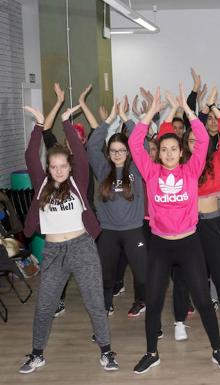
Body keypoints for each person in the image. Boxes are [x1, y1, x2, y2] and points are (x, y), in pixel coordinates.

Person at [129, 86, 220, 374]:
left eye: (174, 148)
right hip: (161, 245)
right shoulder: (150, 172)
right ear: (159, 153)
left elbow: (201, 140)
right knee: (153, 299)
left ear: (180, 152)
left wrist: (188, 112)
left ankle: (217, 349)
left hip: (189, 244)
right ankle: (152, 353)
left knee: (201, 298)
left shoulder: (191, 170)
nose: (169, 153)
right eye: (164, 149)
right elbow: (135, 144)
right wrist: (151, 113)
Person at [20, 102, 119, 373]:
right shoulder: (41, 183)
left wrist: (65, 123)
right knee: (44, 307)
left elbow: (81, 155)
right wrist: (39, 127)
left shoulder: (78, 180)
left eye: (63, 166)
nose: (60, 170)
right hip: (53, 252)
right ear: (49, 168)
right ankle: (36, 354)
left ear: (69, 166)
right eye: (54, 166)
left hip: (81, 247)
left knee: (95, 303)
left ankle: (107, 352)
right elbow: (30, 156)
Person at [85, 97, 148, 318]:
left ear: (129, 152)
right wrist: (109, 120)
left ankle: (141, 301)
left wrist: (126, 119)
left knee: (141, 276)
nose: (117, 154)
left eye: (121, 150)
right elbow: (93, 146)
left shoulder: (137, 168)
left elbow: (143, 144)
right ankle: (105, 307)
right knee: (106, 276)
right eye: (113, 150)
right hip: (109, 232)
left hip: (133, 230)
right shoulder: (103, 169)